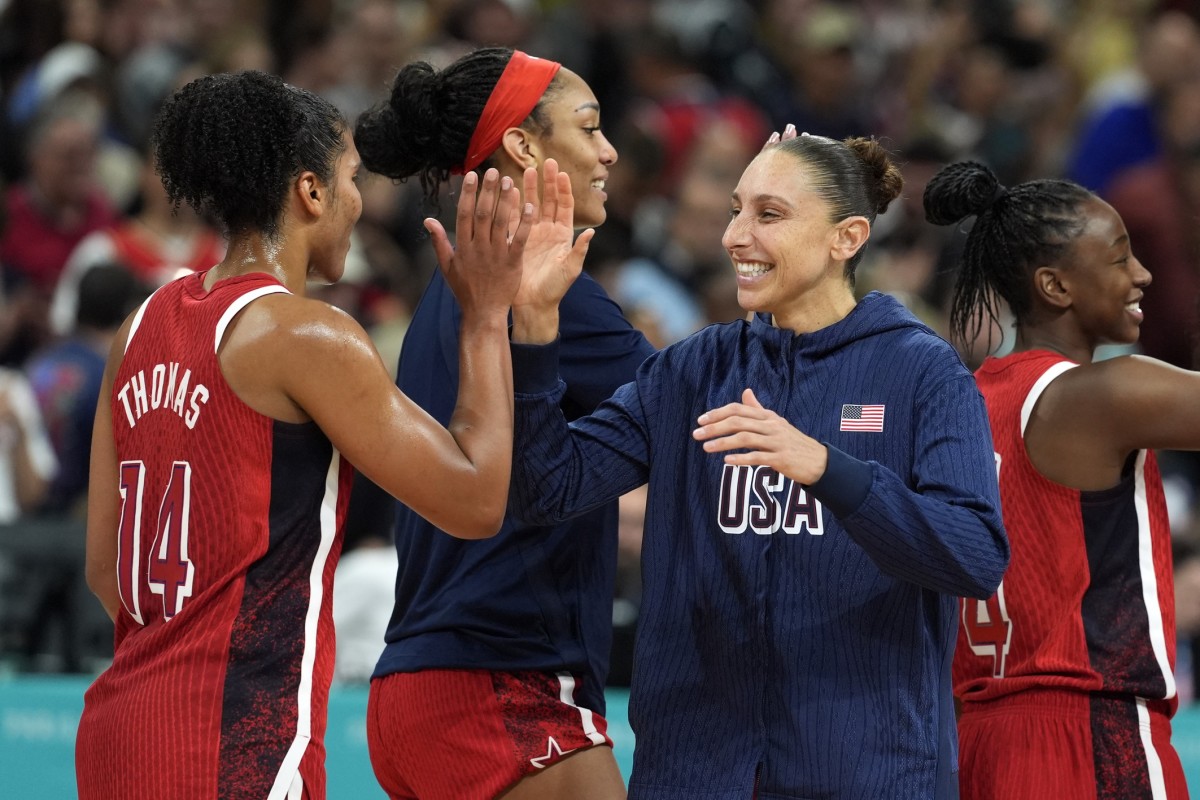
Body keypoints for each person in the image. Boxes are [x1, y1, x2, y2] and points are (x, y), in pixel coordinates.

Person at [73, 68, 558, 800]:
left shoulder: (139, 326)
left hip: (117, 731)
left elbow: (107, 572)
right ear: (310, 192)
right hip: (230, 741)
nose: (360, 201)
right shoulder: (303, 334)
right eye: (351, 178)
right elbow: (474, 498)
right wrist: (490, 316)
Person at [505, 133, 1009, 798]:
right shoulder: (691, 369)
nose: (735, 237)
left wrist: (829, 467)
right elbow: (548, 488)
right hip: (695, 772)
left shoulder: (921, 371)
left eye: (769, 215)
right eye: (735, 211)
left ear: (847, 237)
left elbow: (974, 555)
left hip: (868, 773)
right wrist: (536, 328)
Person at [353, 47, 653, 800]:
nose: (608, 150)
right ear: (523, 145)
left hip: (417, 684)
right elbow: (697, 409)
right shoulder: (540, 289)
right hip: (500, 674)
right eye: (588, 128)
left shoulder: (449, 296)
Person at [924, 160, 1193, 799]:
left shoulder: (964, 402)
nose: (1142, 274)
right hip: (1092, 733)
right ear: (1055, 285)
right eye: (1120, 258)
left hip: (979, 744)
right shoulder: (1102, 395)